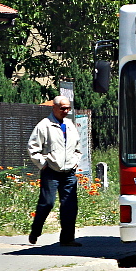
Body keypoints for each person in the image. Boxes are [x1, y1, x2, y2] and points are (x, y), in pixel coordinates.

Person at [27, 95, 82, 246]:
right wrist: (43, 164)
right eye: (63, 108)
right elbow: (33, 148)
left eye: (68, 108)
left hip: (69, 172)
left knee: (70, 206)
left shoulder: (70, 125)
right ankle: (35, 231)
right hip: (51, 171)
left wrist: (75, 162)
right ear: (54, 108)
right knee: (47, 203)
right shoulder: (44, 125)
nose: (66, 111)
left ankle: (67, 239)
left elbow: (78, 147)